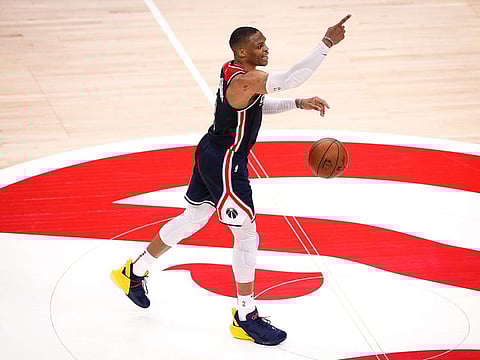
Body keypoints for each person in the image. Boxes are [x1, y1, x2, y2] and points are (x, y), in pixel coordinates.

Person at [111, 14, 351, 346]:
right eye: (258, 45)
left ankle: (133, 273)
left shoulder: (235, 73)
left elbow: (258, 106)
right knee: (247, 235)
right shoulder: (247, 79)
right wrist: (326, 43)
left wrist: (298, 104)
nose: (266, 49)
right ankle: (245, 316)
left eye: (265, 43)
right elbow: (292, 78)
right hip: (225, 161)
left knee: (194, 218)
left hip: (211, 150)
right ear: (241, 52)